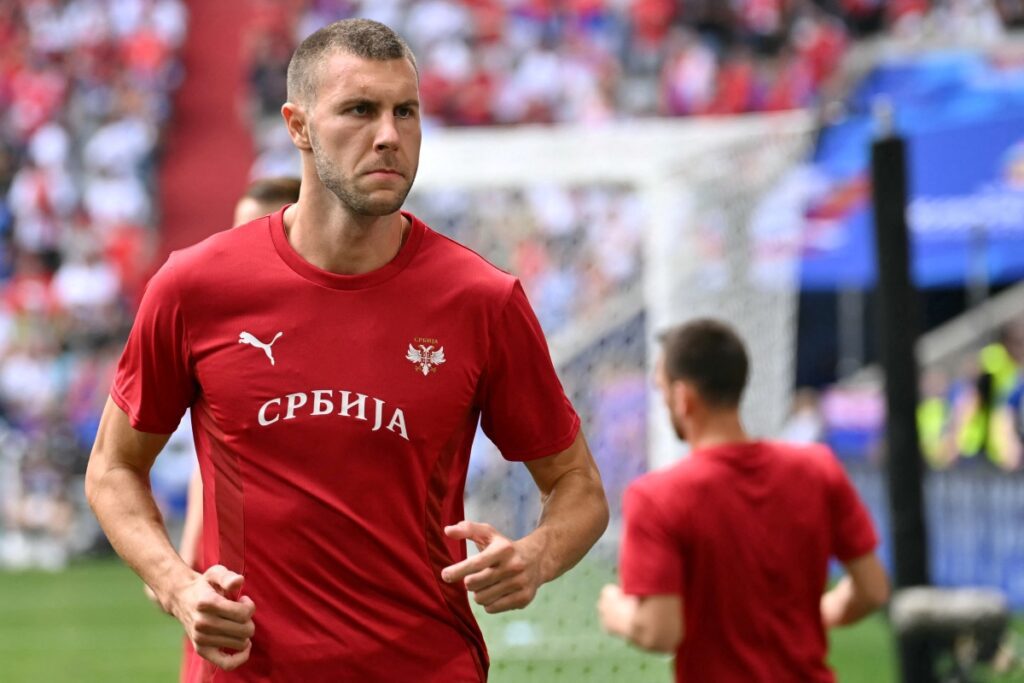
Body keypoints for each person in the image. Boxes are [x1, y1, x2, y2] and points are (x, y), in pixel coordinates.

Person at [86, 18, 608, 683]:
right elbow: (112, 467)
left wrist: (534, 557)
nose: (389, 134)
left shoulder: (482, 299)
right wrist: (176, 584)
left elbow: (578, 485)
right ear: (299, 126)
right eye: (360, 110)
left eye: (405, 111)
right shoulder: (195, 286)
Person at [598, 318, 888, 682]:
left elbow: (660, 631)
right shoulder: (818, 469)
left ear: (683, 398)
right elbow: (873, 588)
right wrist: (819, 612)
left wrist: (618, 612)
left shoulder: (656, 497)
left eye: (662, 390)